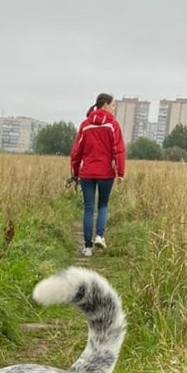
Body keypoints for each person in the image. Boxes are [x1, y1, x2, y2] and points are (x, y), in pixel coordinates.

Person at [69, 93, 126, 257]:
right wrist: (120, 172)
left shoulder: (85, 125)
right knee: (103, 206)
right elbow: (119, 150)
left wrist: (75, 172)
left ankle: (87, 248)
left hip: (87, 173)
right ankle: (100, 236)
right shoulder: (113, 125)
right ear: (105, 105)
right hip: (106, 173)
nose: (114, 108)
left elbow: (76, 152)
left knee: (88, 208)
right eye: (113, 105)